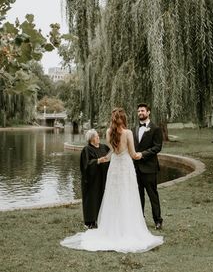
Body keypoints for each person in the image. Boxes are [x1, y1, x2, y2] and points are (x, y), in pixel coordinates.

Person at [60, 108, 163, 253]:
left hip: (114, 167)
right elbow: (133, 154)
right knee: (128, 195)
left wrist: (107, 158)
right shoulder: (127, 133)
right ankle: (128, 228)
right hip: (126, 167)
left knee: (113, 196)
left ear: (113, 119)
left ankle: (111, 228)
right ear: (124, 119)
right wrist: (141, 155)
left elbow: (113, 151)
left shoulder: (108, 132)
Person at [132, 103, 163, 230]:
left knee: (152, 195)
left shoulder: (155, 128)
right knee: (138, 196)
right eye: (139, 111)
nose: (140, 113)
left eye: (143, 111)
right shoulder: (134, 128)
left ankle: (158, 220)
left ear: (148, 112)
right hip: (136, 168)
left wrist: (143, 154)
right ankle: (140, 219)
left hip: (149, 168)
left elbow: (157, 147)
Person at [80, 129, 110, 229]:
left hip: (104, 178)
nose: (98, 137)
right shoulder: (87, 150)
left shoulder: (104, 147)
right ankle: (91, 221)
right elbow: (86, 165)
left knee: (103, 198)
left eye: (98, 136)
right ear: (91, 139)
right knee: (92, 200)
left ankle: (102, 219)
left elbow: (110, 156)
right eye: (96, 136)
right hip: (92, 181)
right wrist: (97, 161)